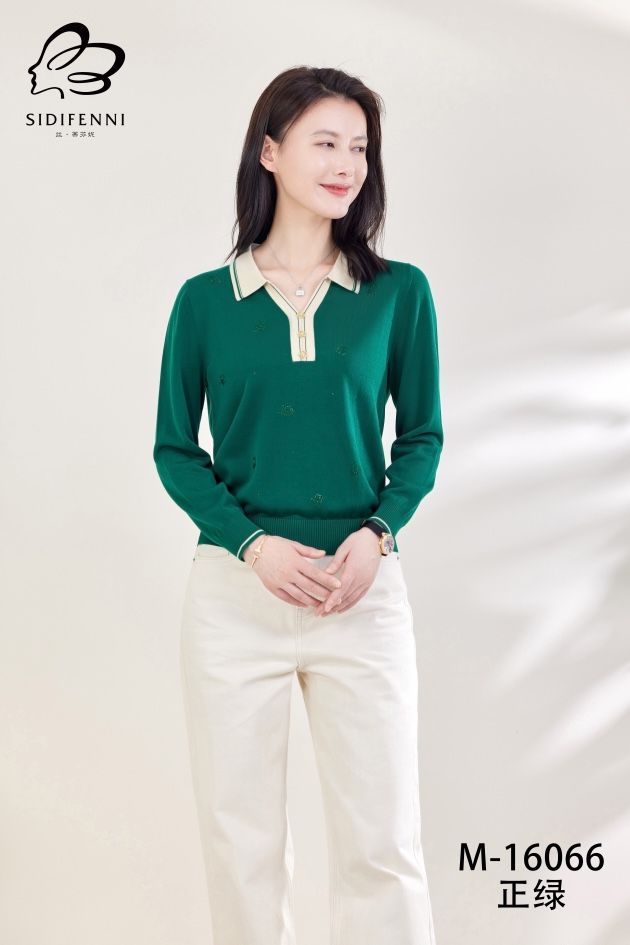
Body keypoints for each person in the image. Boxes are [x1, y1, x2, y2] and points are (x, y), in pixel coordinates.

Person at [153, 64, 443, 945]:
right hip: (236, 599)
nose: (347, 163)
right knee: (242, 844)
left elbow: (421, 437)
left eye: (360, 147)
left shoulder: (400, 293)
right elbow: (175, 450)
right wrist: (252, 544)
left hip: (363, 594)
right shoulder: (205, 302)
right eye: (326, 142)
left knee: (382, 844)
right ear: (271, 152)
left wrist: (378, 533)